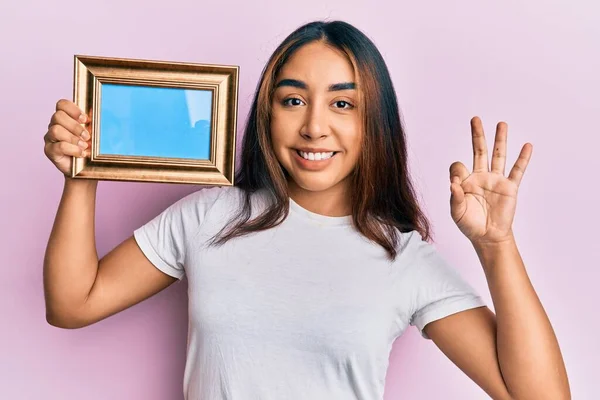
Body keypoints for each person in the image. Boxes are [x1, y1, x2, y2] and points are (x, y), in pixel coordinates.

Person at [42, 20, 570, 400]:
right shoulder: (209, 216)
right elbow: (72, 304)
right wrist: (81, 173)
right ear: (267, 112)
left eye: (343, 103)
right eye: (292, 100)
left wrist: (496, 245)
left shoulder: (403, 257)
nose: (314, 126)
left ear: (373, 124)